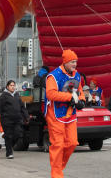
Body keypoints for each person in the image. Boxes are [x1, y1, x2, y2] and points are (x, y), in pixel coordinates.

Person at [45, 50, 85, 178]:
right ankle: (57, 174)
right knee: (58, 145)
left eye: (76, 62)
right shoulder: (53, 76)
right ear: (66, 62)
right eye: (72, 62)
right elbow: (50, 94)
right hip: (55, 115)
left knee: (72, 143)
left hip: (70, 115)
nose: (75, 64)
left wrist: (82, 100)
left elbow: (79, 91)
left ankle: (58, 169)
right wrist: (69, 98)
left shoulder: (77, 75)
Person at [0, 79, 28, 159]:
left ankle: (8, 140)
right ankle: (9, 153)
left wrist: (26, 116)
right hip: (7, 120)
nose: (12, 87)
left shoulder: (17, 95)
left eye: (13, 85)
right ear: (7, 87)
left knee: (18, 134)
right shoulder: (3, 96)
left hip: (17, 119)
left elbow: (22, 107)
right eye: (11, 85)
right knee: (9, 136)